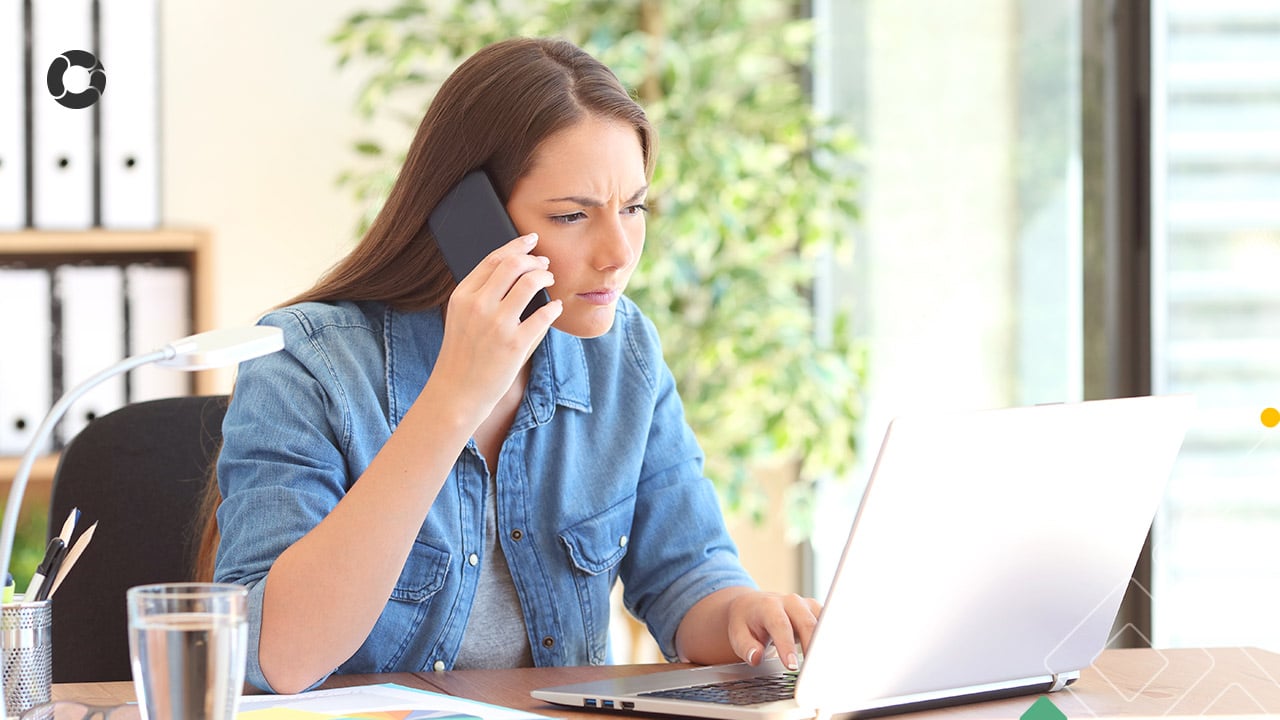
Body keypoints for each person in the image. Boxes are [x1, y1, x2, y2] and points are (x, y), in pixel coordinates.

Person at [200, 36, 821, 695]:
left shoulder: (622, 352)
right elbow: (278, 658)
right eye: (572, 215)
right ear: (469, 220)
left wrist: (743, 615)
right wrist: (455, 398)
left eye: (634, 207)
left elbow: (684, 576)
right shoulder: (306, 364)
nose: (618, 253)